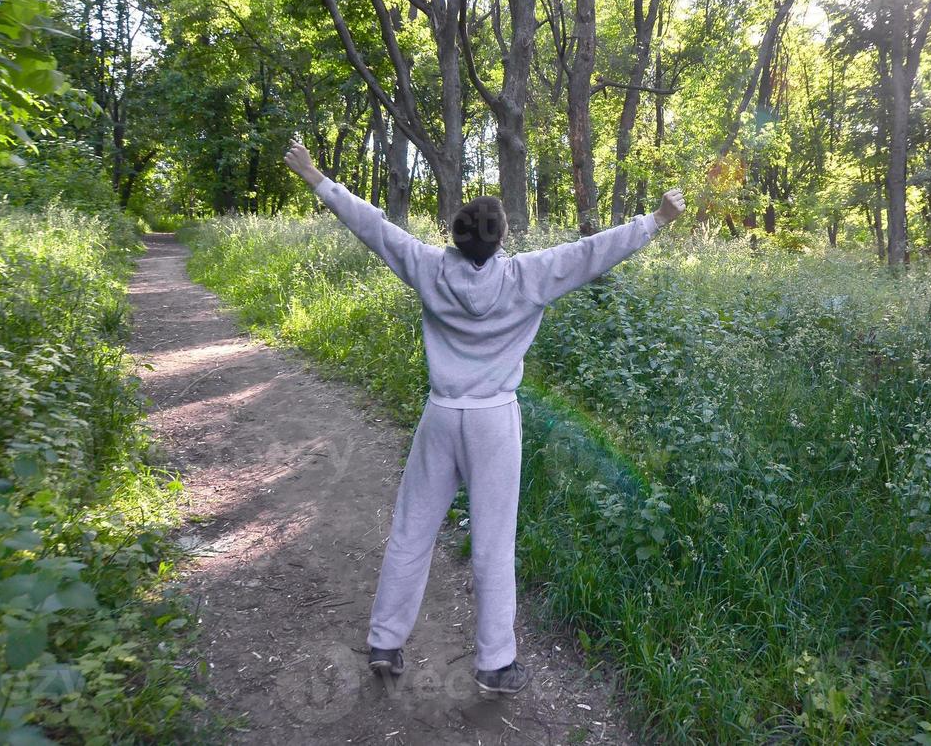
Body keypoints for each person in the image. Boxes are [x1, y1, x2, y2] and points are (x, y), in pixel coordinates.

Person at [282, 139, 685, 695]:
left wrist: (317, 178)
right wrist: (657, 219)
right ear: (501, 238)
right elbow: (594, 252)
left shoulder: (427, 267)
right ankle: (495, 663)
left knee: (411, 529)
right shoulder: (527, 276)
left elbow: (371, 226)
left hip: (441, 415)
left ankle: (384, 641)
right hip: (494, 420)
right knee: (494, 541)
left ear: (454, 233)